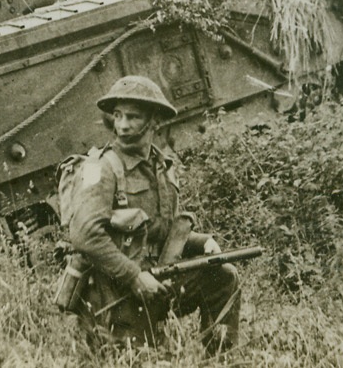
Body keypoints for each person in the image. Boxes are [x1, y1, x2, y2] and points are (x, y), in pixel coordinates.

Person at [66, 75, 241, 353]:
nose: (122, 125)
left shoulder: (163, 166)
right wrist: (134, 277)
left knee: (223, 276)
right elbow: (84, 234)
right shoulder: (98, 167)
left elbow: (161, 231)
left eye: (133, 117)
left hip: (158, 279)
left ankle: (219, 359)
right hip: (114, 293)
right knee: (136, 359)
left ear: (154, 121)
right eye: (118, 115)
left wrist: (201, 241)